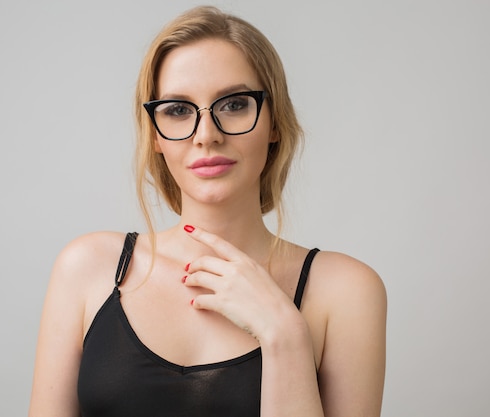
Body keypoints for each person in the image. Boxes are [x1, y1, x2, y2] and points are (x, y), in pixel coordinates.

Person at [28, 5, 386, 417]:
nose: (206, 135)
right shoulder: (87, 268)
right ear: (156, 137)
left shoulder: (346, 291)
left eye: (234, 104)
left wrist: (283, 332)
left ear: (274, 123)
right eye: (178, 110)